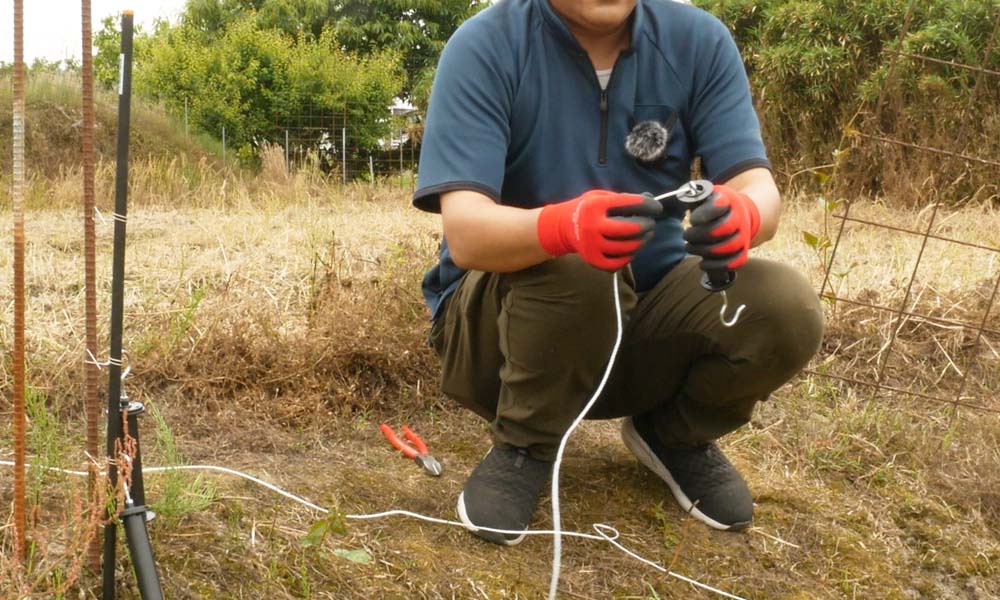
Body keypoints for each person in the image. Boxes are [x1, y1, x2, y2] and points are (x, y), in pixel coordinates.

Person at [412, 0, 824, 545]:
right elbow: (466, 232)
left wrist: (743, 215)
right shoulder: (485, 45)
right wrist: (564, 226)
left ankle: (674, 435)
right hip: (499, 338)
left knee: (784, 306)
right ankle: (525, 446)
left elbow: (759, 188)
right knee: (578, 264)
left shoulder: (698, 41)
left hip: (641, 322)